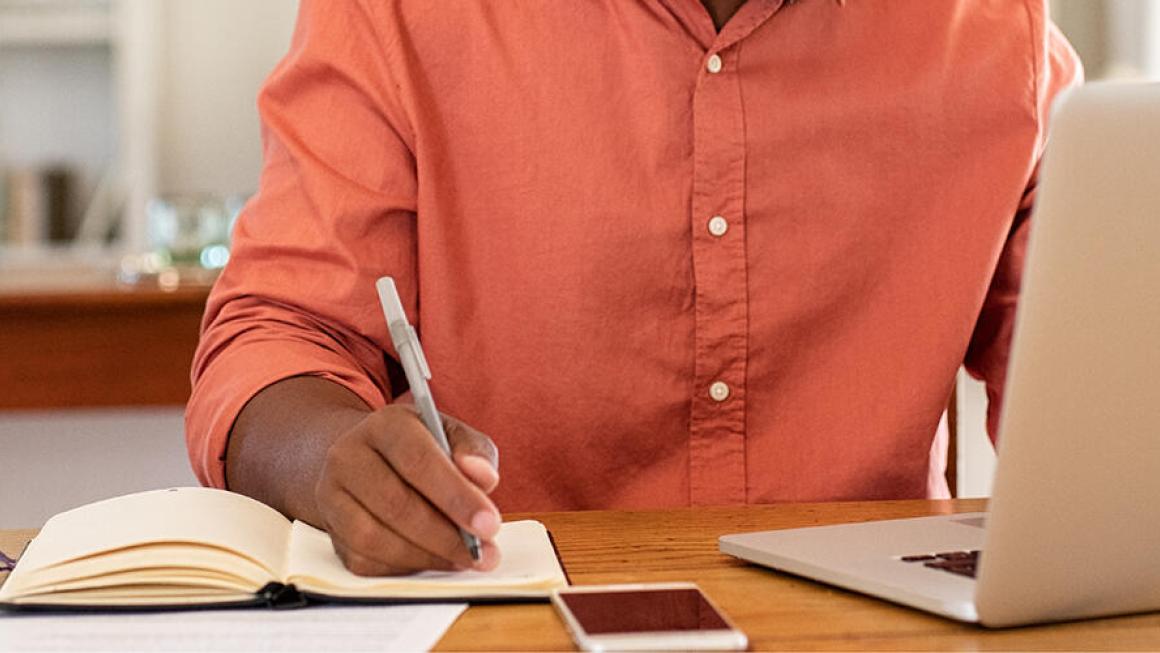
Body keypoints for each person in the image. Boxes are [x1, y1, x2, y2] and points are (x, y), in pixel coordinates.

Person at [186, 0, 1082, 576]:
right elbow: (276, 332)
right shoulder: (402, 13)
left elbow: (1098, 400)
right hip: (506, 621)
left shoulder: (1000, 36)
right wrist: (334, 459)